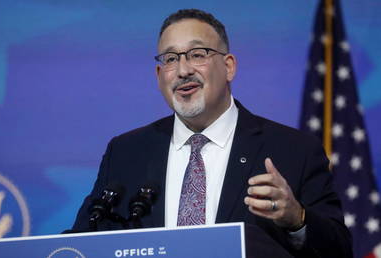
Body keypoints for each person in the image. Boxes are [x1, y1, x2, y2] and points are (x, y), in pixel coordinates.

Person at [69, 9, 352, 257]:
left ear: (228, 67)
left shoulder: (293, 150)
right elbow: (81, 243)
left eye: (197, 54)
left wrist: (297, 219)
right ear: (159, 76)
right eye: (170, 59)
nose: (183, 70)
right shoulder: (127, 152)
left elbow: (339, 250)